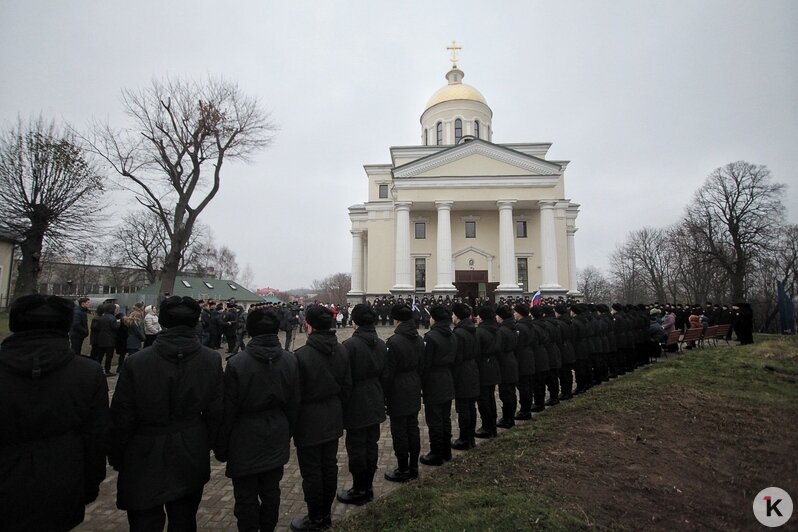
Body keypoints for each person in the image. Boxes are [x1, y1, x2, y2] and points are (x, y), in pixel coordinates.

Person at [109, 296, 224, 532]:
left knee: (144, 521)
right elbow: (216, 412)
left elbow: (122, 416)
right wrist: (212, 445)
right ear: (195, 322)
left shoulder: (138, 362)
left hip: (143, 450)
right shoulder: (210, 360)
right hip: (190, 447)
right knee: (184, 519)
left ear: (163, 322)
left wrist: (118, 455)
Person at [0, 295, 109, 531]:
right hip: (62, 478)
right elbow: (97, 437)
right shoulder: (87, 373)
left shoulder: (87, 372)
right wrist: (90, 484)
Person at [216, 307, 300, 532]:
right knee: (272, 492)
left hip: (244, 436)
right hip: (277, 430)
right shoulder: (290, 360)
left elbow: (228, 410)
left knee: (245, 497)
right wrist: (287, 432)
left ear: (251, 330)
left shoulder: (237, 363)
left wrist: (222, 446)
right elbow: (294, 405)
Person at [291, 305, 352, 532]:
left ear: (309, 325)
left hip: (309, 422)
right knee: (329, 466)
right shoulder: (342, 351)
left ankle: (316, 518)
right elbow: (347, 387)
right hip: (333, 415)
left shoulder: (300, 356)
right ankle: (325, 514)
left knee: (312, 471)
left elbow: (295, 397)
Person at [337, 304, 386, 506]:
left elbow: (345, 380)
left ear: (355, 321)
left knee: (357, 447)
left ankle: (359, 489)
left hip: (356, 401)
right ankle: (368, 486)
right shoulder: (382, 343)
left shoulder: (349, 346)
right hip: (375, 397)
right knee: (371, 444)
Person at [382, 303, 423, 482]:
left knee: (399, 431)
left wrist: (385, 393)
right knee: (412, 428)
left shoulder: (394, 341)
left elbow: (388, 372)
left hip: (398, 389)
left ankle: (403, 468)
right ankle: (413, 467)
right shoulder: (419, 338)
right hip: (414, 385)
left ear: (396, 320)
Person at [420, 305, 456, 465]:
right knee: (445, 418)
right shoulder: (452, 335)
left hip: (434, 381)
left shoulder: (431, 337)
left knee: (434, 420)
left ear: (434, 318)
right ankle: (446, 451)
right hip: (448, 377)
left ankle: (436, 454)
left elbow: (425, 364)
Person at [450, 302, 480, 450]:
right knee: (471, 407)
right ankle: (470, 438)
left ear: (457, 316)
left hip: (462, 372)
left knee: (463, 409)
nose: (452, 317)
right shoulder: (474, 330)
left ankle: (464, 439)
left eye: (453, 314)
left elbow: (456, 357)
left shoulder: (458, 333)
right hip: (473, 369)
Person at [474, 305, 501, 438]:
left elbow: (476, 352)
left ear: (482, 317)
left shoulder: (480, 332)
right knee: (490, 398)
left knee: (483, 400)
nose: (477, 318)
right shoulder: (497, 329)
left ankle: (487, 427)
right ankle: (492, 426)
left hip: (483, 368)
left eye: (478, 316)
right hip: (494, 365)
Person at [495, 305, 519, 428]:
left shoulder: (502, 330)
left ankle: (507, 419)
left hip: (504, 363)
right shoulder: (513, 328)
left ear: (501, 317)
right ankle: (510, 417)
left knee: (506, 393)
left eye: (497, 315)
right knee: (511, 392)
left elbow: (498, 348)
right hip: (512, 360)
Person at [92, 302, 120, 376]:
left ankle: (97, 368)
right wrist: (119, 323)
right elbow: (115, 328)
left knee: (100, 355)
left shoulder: (102, 317)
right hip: (110, 340)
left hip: (101, 339)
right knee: (109, 356)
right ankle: (107, 370)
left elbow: (97, 328)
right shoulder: (112, 318)